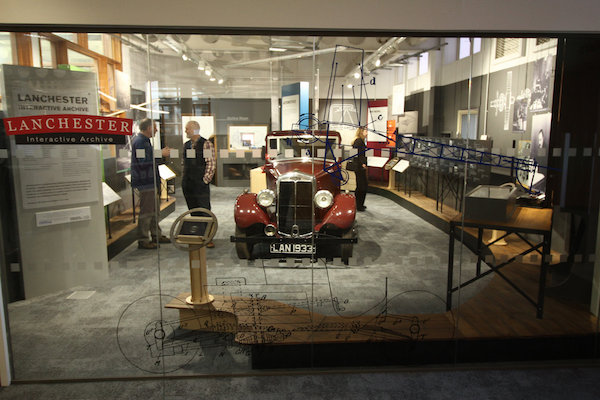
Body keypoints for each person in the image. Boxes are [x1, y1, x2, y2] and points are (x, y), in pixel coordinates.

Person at [131, 118, 171, 249]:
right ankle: (143, 240)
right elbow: (143, 161)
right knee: (147, 211)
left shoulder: (144, 141)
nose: (156, 130)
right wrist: (160, 154)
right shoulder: (140, 142)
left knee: (154, 210)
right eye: (154, 127)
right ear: (148, 128)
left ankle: (156, 235)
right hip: (145, 182)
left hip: (150, 181)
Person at [182, 120, 216, 247]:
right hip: (188, 184)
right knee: (193, 209)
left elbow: (211, 163)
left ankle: (208, 237)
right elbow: (184, 162)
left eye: (187, 129)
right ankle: (198, 235)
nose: (185, 131)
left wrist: (205, 180)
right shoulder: (186, 145)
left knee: (204, 210)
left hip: (200, 184)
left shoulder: (206, 144)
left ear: (194, 130)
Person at [352, 126, 368, 211]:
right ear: (361, 131)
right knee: (362, 186)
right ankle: (359, 205)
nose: (367, 132)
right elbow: (357, 154)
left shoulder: (359, 141)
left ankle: (360, 204)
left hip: (359, 167)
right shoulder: (359, 141)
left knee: (361, 185)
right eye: (366, 131)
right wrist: (362, 163)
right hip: (359, 167)